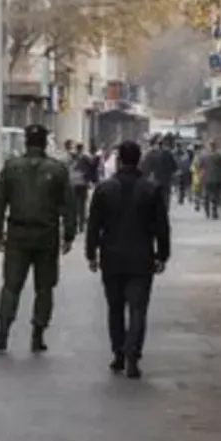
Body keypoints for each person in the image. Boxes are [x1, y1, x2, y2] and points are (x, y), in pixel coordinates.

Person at [85, 139, 172, 379]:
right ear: (139, 160)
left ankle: (118, 354)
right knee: (137, 309)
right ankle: (133, 354)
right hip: (141, 258)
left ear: (120, 160)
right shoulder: (151, 189)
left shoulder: (104, 189)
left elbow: (94, 226)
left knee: (115, 308)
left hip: (111, 258)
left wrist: (91, 254)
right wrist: (162, 255)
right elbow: (162, 227)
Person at [0, 122, 77, 354]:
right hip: (46, 235)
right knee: (44, 287)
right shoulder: (57, 170)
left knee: (11, 285)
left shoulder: (11, 167)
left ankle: (3, 329)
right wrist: (69, 234)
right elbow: (68, 205)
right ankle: (38, 333)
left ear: (26, 142)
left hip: (17, 234)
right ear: (45, 143)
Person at [67, 141, 100, 227]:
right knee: (82, 204)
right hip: (83, 183)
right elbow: (93, 166)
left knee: (74, 204)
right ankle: (81, 224)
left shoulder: (72, 157)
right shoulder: (85, 157)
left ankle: (75, 222)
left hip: (73, 183)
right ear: (82, 148)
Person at [200, 141, 221, 219]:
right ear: (215, 146)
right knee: (216, 195)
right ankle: (214, 211)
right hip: (218, 178)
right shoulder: (220, 156)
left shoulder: (204, 156)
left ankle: (207, 211)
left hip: (207, 178)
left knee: (207, 195)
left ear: (208, 146)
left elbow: (201, 167)